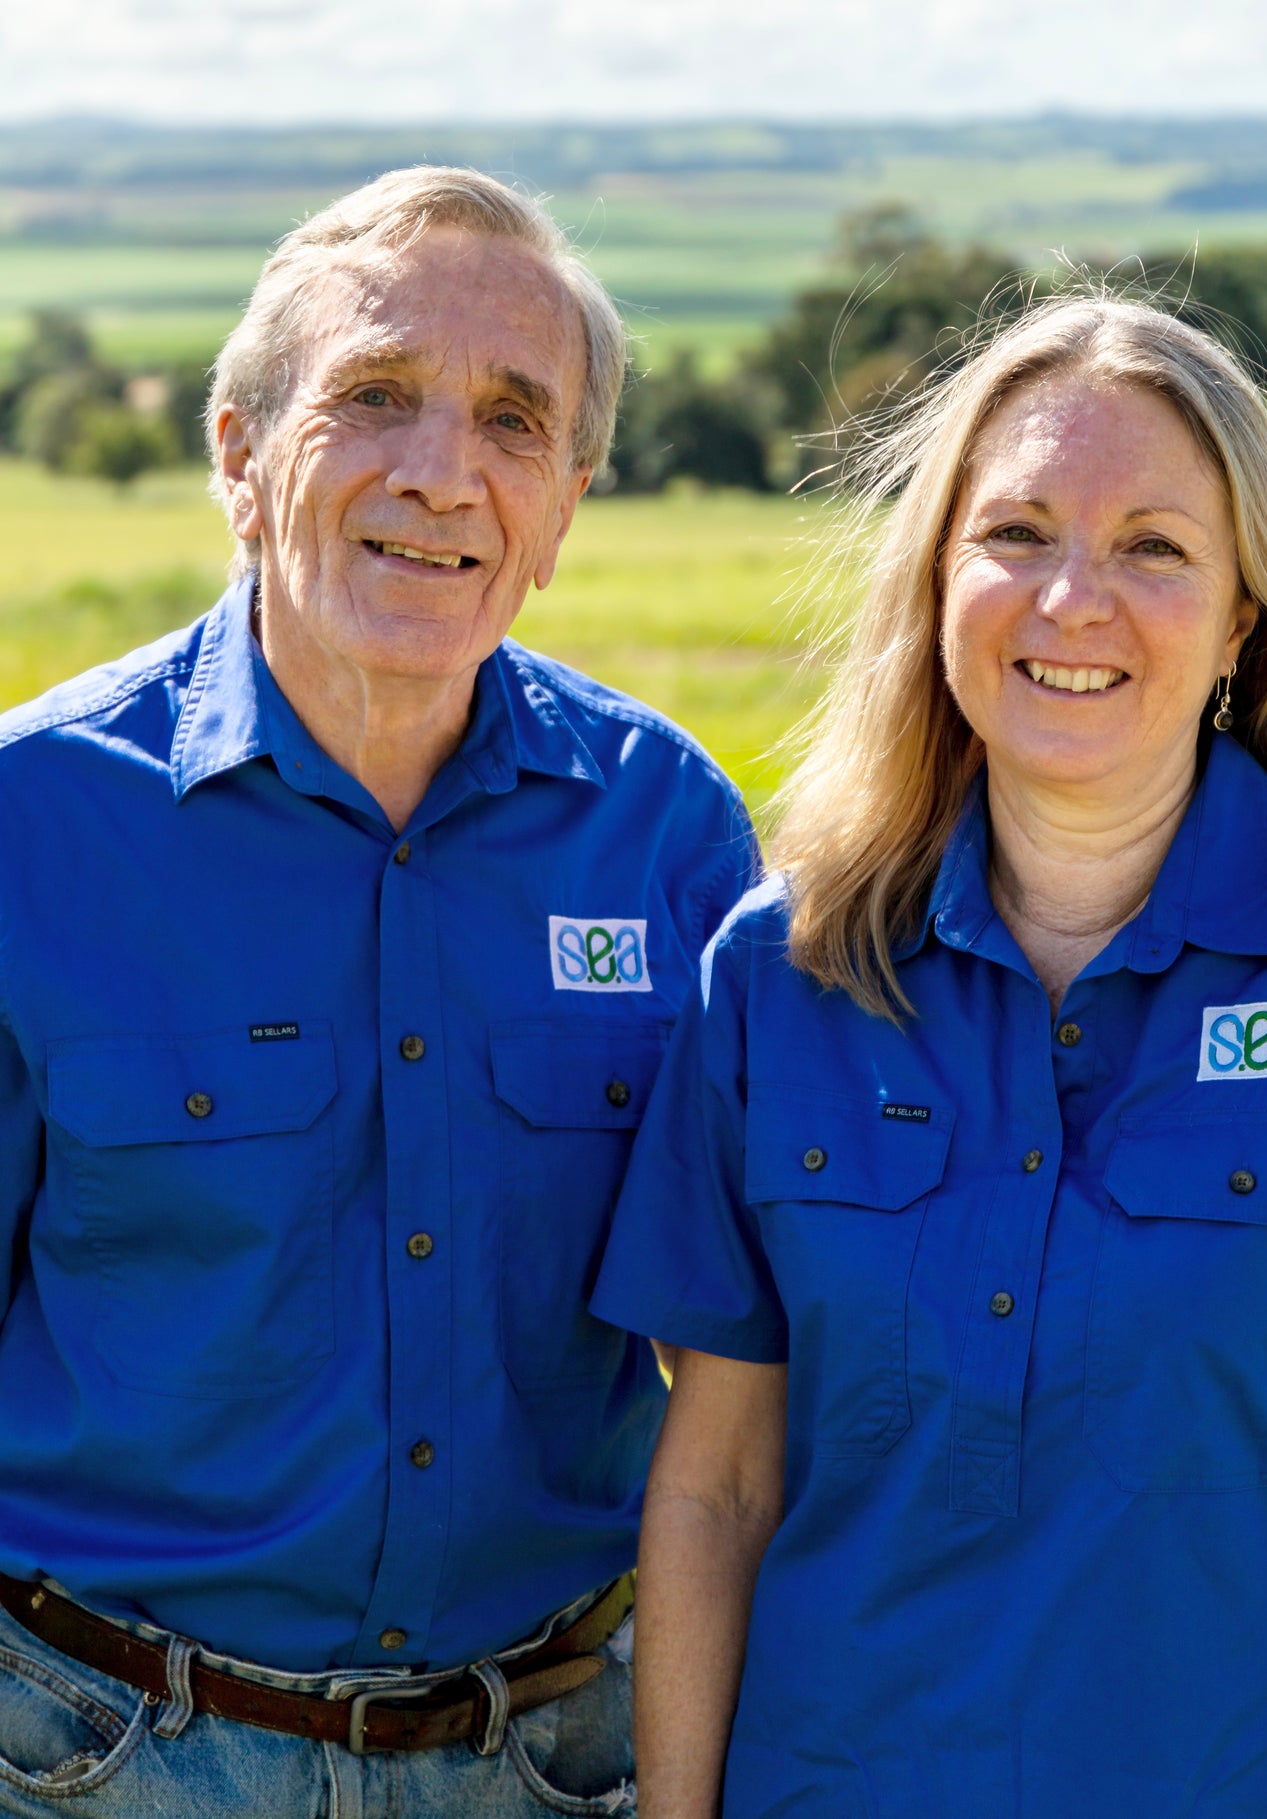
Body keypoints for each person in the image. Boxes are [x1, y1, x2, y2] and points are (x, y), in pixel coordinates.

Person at [590, 295, 1267, 1817]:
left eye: (1155, 547)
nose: (1074, 597)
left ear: (1242, 624)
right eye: (1015, 531)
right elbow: (714, 1487)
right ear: (938, 584)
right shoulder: (777, 968)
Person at [0, 167, 756, 1816]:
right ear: (238, 455)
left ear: (562, 508)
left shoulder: (666, 831)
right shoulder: (31, 827)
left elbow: (750, 1366)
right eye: (376, 397)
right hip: (107, 1760)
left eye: (512, 421)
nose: (442, 473)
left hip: (553, 1766)